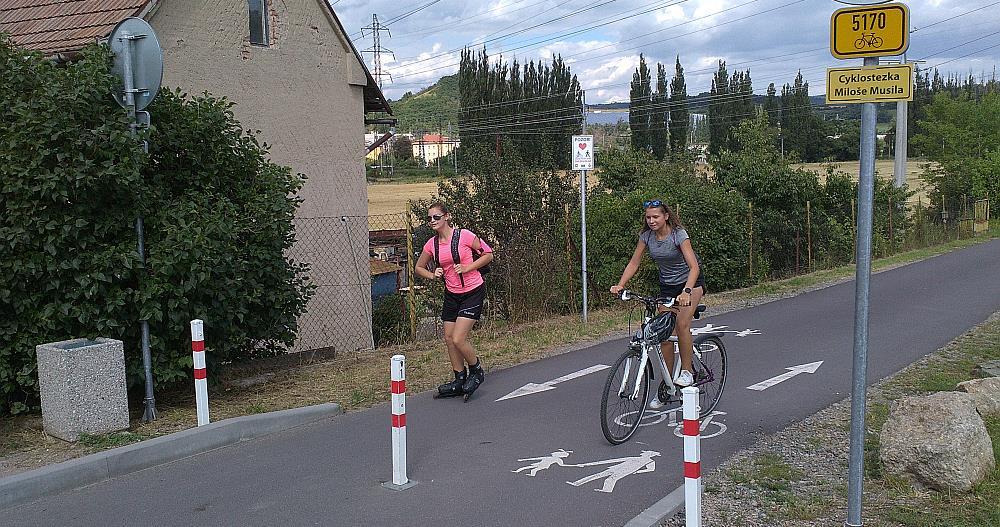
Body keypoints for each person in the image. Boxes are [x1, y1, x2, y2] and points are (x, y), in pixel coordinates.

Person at [609, 200, 704, 401]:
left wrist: (686, 291)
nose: (651, 221)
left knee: (682, 323)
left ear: (666, 216)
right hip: (668, 287)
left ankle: (687, 372)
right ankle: (668, 384)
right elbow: (634, 263)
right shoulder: (647, 237)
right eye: (648, 217)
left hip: (690, 283)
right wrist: (621, 284)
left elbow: (694, 267)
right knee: (663, 333)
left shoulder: (679, 235)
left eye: (655, 217)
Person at [414, 202, 494, 401]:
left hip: (473, 291)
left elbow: (489, 254)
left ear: (447, 217)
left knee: (459, 338)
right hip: (452, 293)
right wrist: (433, 275)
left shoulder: (464, 235)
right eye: (429, 218)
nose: (432, 221)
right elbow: (419, 268)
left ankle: (477, 371)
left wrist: (468, 268)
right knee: (449, 339)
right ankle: (459, 379)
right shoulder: (431, 244)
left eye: (436, 217)